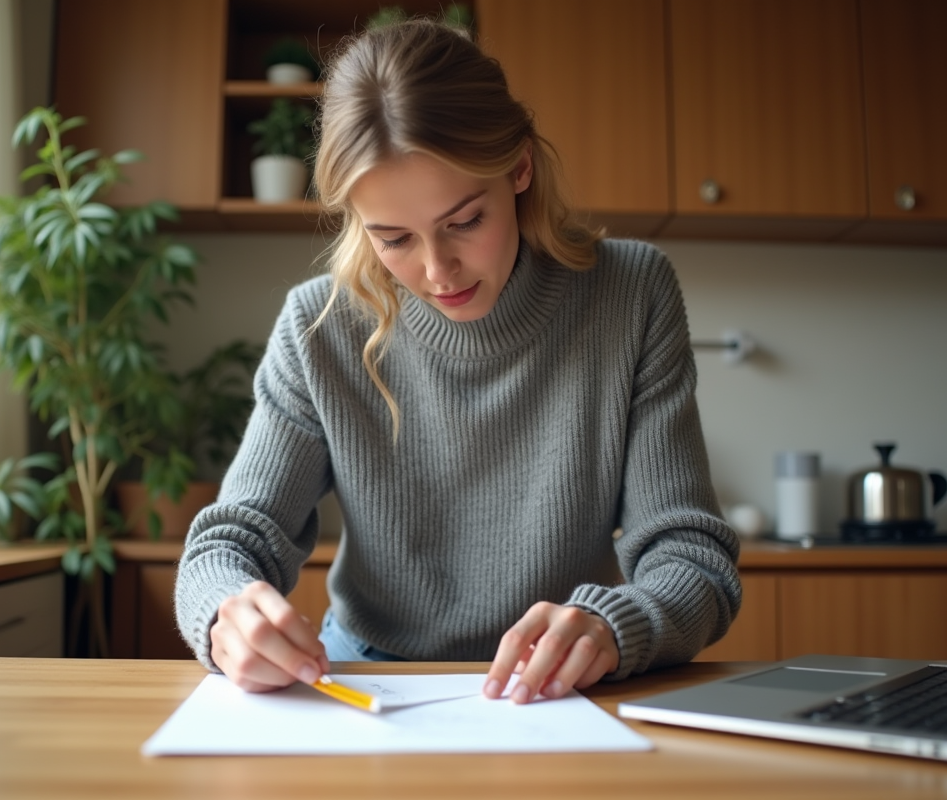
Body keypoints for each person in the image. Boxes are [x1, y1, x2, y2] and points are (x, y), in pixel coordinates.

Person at [175, 18, 741, 704]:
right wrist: (225, 612)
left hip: (560, 686)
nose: (437, 270)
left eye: (465, 221)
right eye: (392, 238)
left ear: (521, 168)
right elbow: (229, 541)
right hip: (372, 679)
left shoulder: (631, 294)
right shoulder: (318, 326)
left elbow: (693, 558)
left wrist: (613, 626)